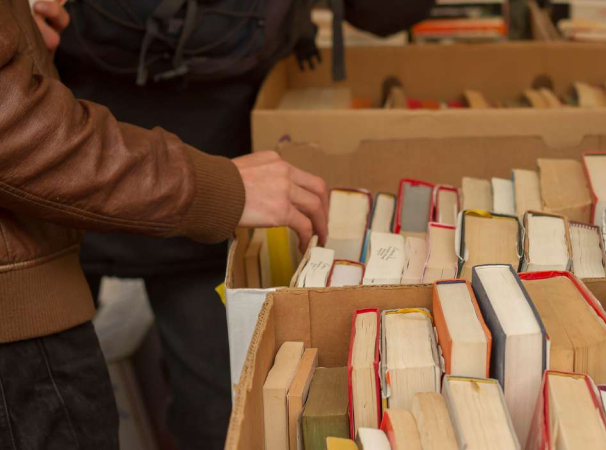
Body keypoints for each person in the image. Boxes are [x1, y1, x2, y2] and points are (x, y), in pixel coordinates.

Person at [32, 0, 433, 448]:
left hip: (205, 196)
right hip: (73, 179)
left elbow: (384, 14)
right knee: (56, 414)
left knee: (222, 418)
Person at [0, 0, 329, 448]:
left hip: (79, 201)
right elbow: (13, 128)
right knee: (224, 415)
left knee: (223, 413)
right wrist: (217, 187)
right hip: (93, 206)